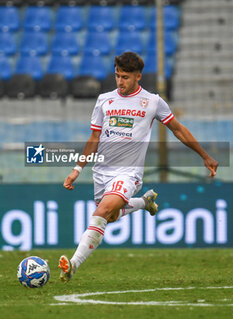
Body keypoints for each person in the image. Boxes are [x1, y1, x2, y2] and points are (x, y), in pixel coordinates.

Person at [58, 52, 218, 282]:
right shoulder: (104, 100)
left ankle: (73, 264)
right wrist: (77, 170)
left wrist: (204, 155)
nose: (120, 81)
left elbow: (178, 129)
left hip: (128, 172)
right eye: (117, 76)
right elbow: (94, 137)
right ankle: (144, 202)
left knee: (101, 212)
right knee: (110, 217)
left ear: (138, 77)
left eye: (125, 77)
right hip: (102, 171)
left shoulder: (152, 101)